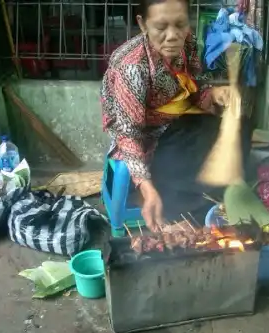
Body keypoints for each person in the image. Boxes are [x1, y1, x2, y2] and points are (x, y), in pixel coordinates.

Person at [101, 0, 252, 232]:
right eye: (161, 27)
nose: (172, 36)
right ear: (143, 24)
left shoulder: (187, 42)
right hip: (144, 132)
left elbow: (194, 86)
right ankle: (185, 213)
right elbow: (129, 135)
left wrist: (214, 93)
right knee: (187, 156)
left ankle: (213, 199)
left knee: (238, 128)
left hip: (176, 117)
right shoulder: (132, 67)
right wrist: (146, 188)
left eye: (180, 24)